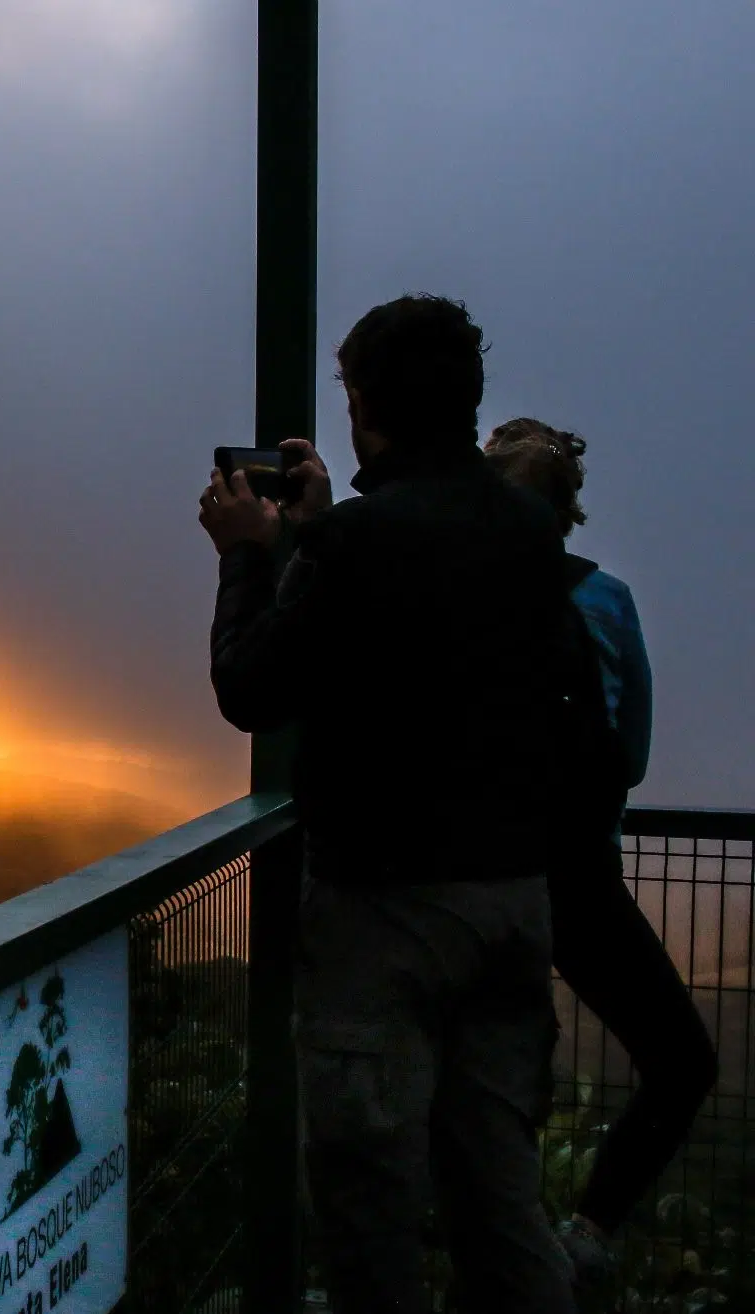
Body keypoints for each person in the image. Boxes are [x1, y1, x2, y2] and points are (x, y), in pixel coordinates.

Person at [198, 295, 577, 1314]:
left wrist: (247, 552)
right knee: (500, 1204)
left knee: (369, 1213)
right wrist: (319, 536)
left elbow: (251, 687)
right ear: (464, 401)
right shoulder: (527, 531)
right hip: (511, 905)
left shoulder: (358, 546)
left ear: (361, 402)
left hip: (384, 913)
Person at [483, 418, 718, 1292]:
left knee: (492, 1086)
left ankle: (476, 1251)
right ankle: (586, 1235)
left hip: (463, 876)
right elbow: (634, 759)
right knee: (684, 1062)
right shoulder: (607, 601)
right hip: (577, 884)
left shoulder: (448, 590)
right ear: (567, 512)